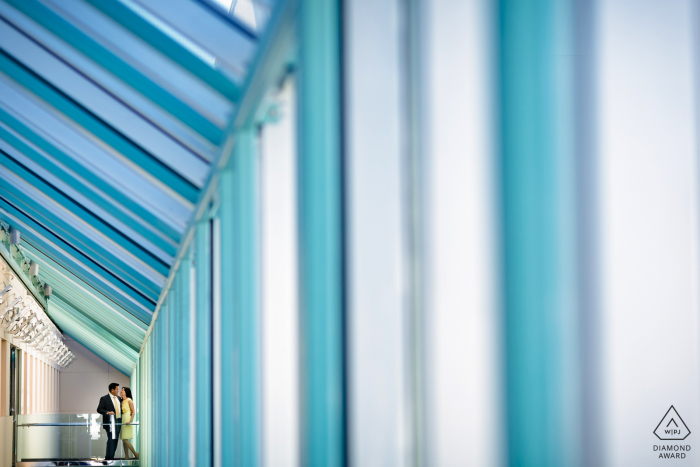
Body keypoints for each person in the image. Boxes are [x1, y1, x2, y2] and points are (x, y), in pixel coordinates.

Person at [96, 383, 122, 460]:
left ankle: (111, 458)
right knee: (111, 440)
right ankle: (108, 459)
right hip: (110, 423)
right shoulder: (104, 398)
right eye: (117, 389)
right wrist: (107, 412)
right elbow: (99, 409)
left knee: (115, 441)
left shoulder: (119, 398)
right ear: (112, 390)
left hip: (118, 423)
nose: (118, 390)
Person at [120, 387, 139, 459]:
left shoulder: (129, 400)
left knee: (125, 439)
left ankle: (135, 453)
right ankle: (126, 456)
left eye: (122, 390)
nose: (121, 391)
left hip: (127, 419)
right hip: (123, 419)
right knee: (124, 439)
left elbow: (133, 411)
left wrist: (131, 420)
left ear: (126, 392)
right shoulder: (121, 401)